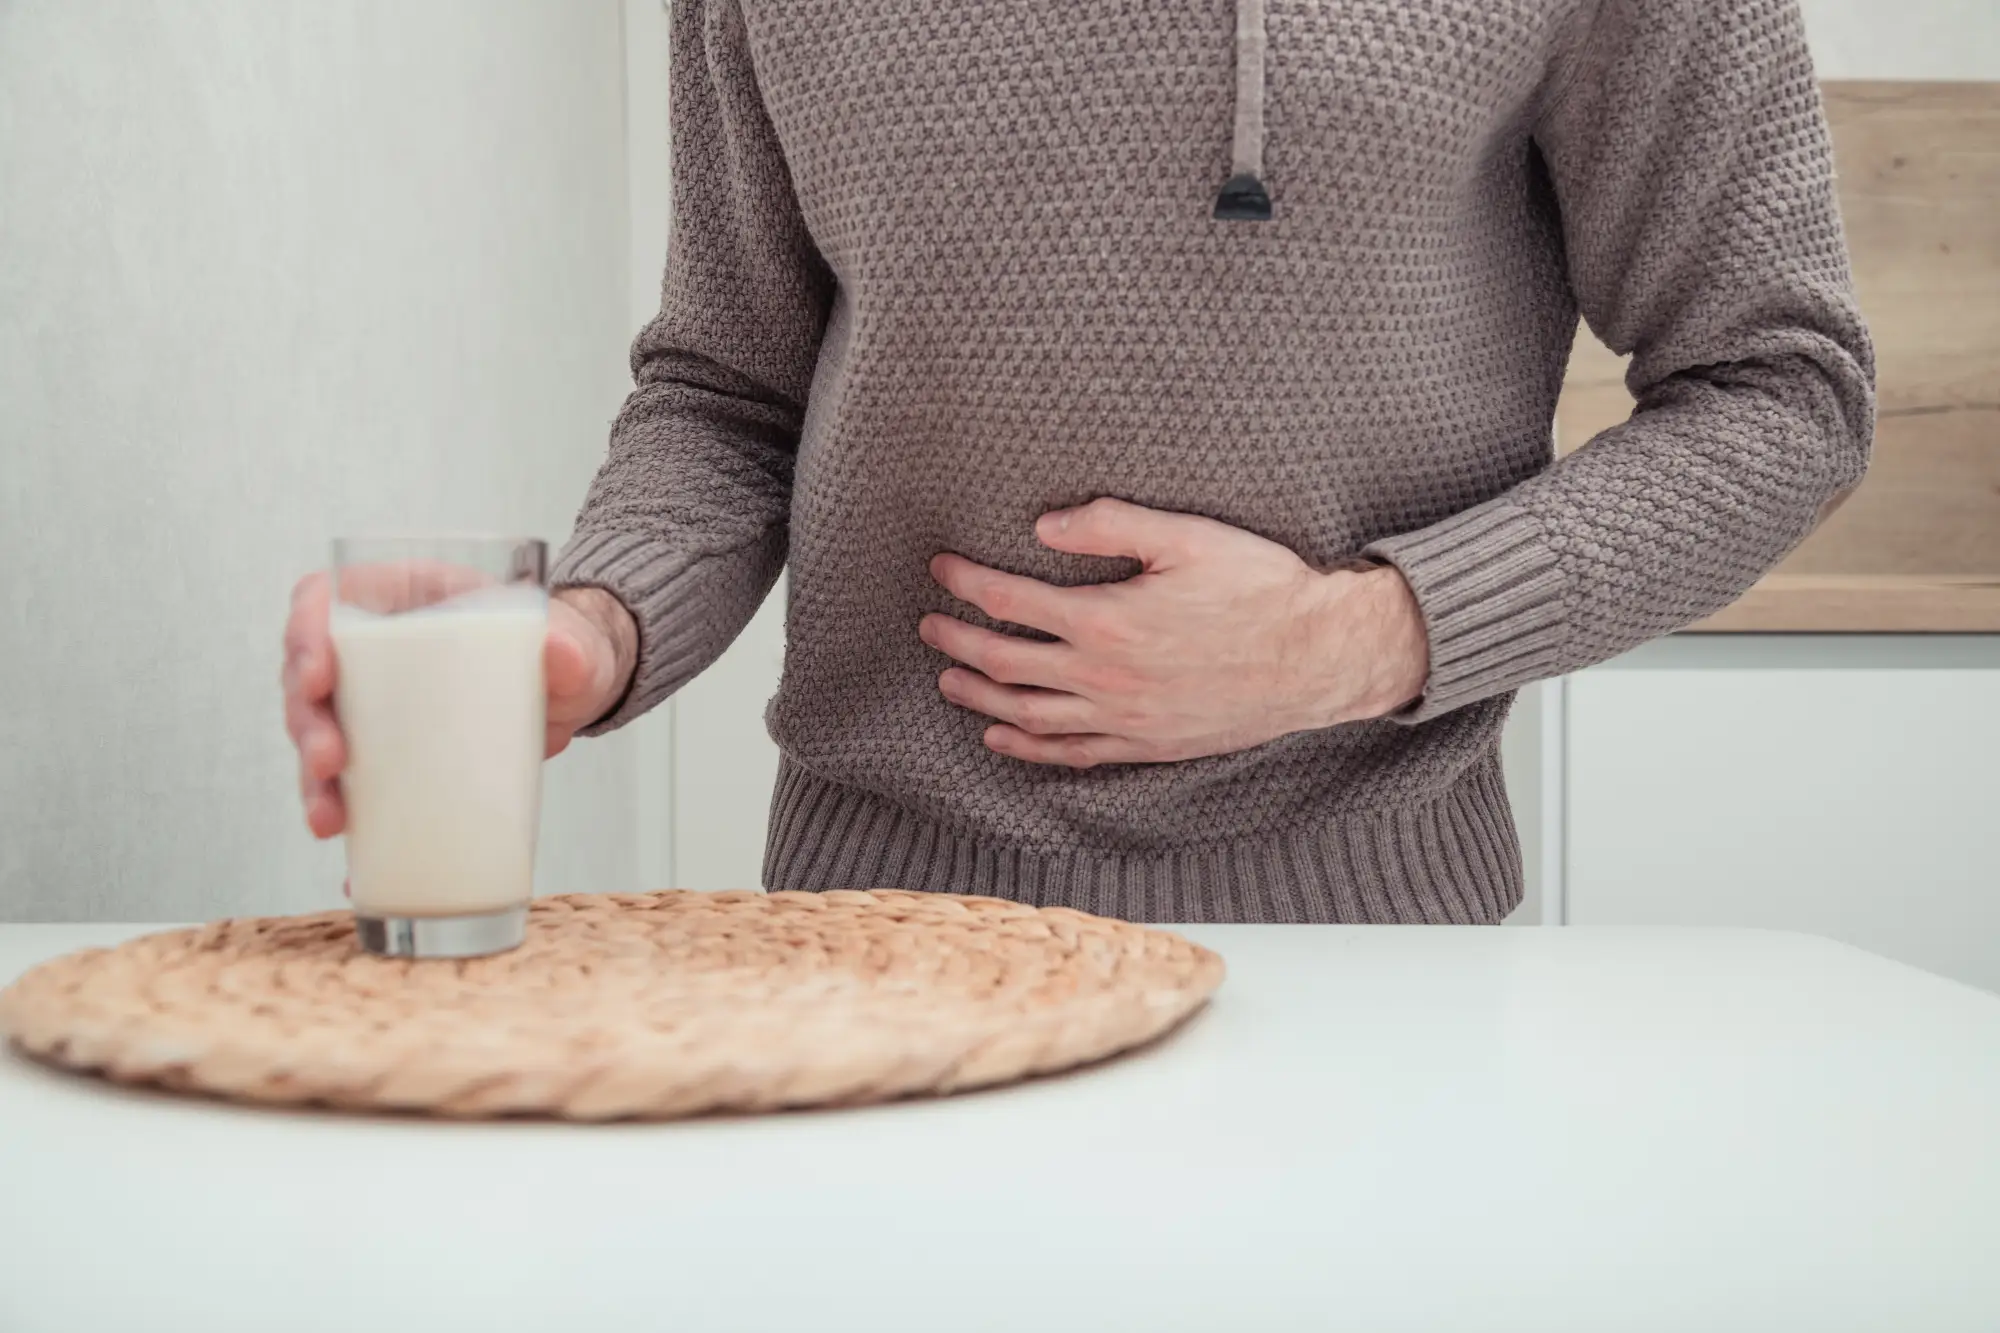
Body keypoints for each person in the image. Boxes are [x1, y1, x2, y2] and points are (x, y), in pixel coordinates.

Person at [283, 0, 1872, 924]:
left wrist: (1355, 640)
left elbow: (1780, 390)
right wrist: (595, 626)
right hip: (872, 955)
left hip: (1381, 964)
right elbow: (730, 387)